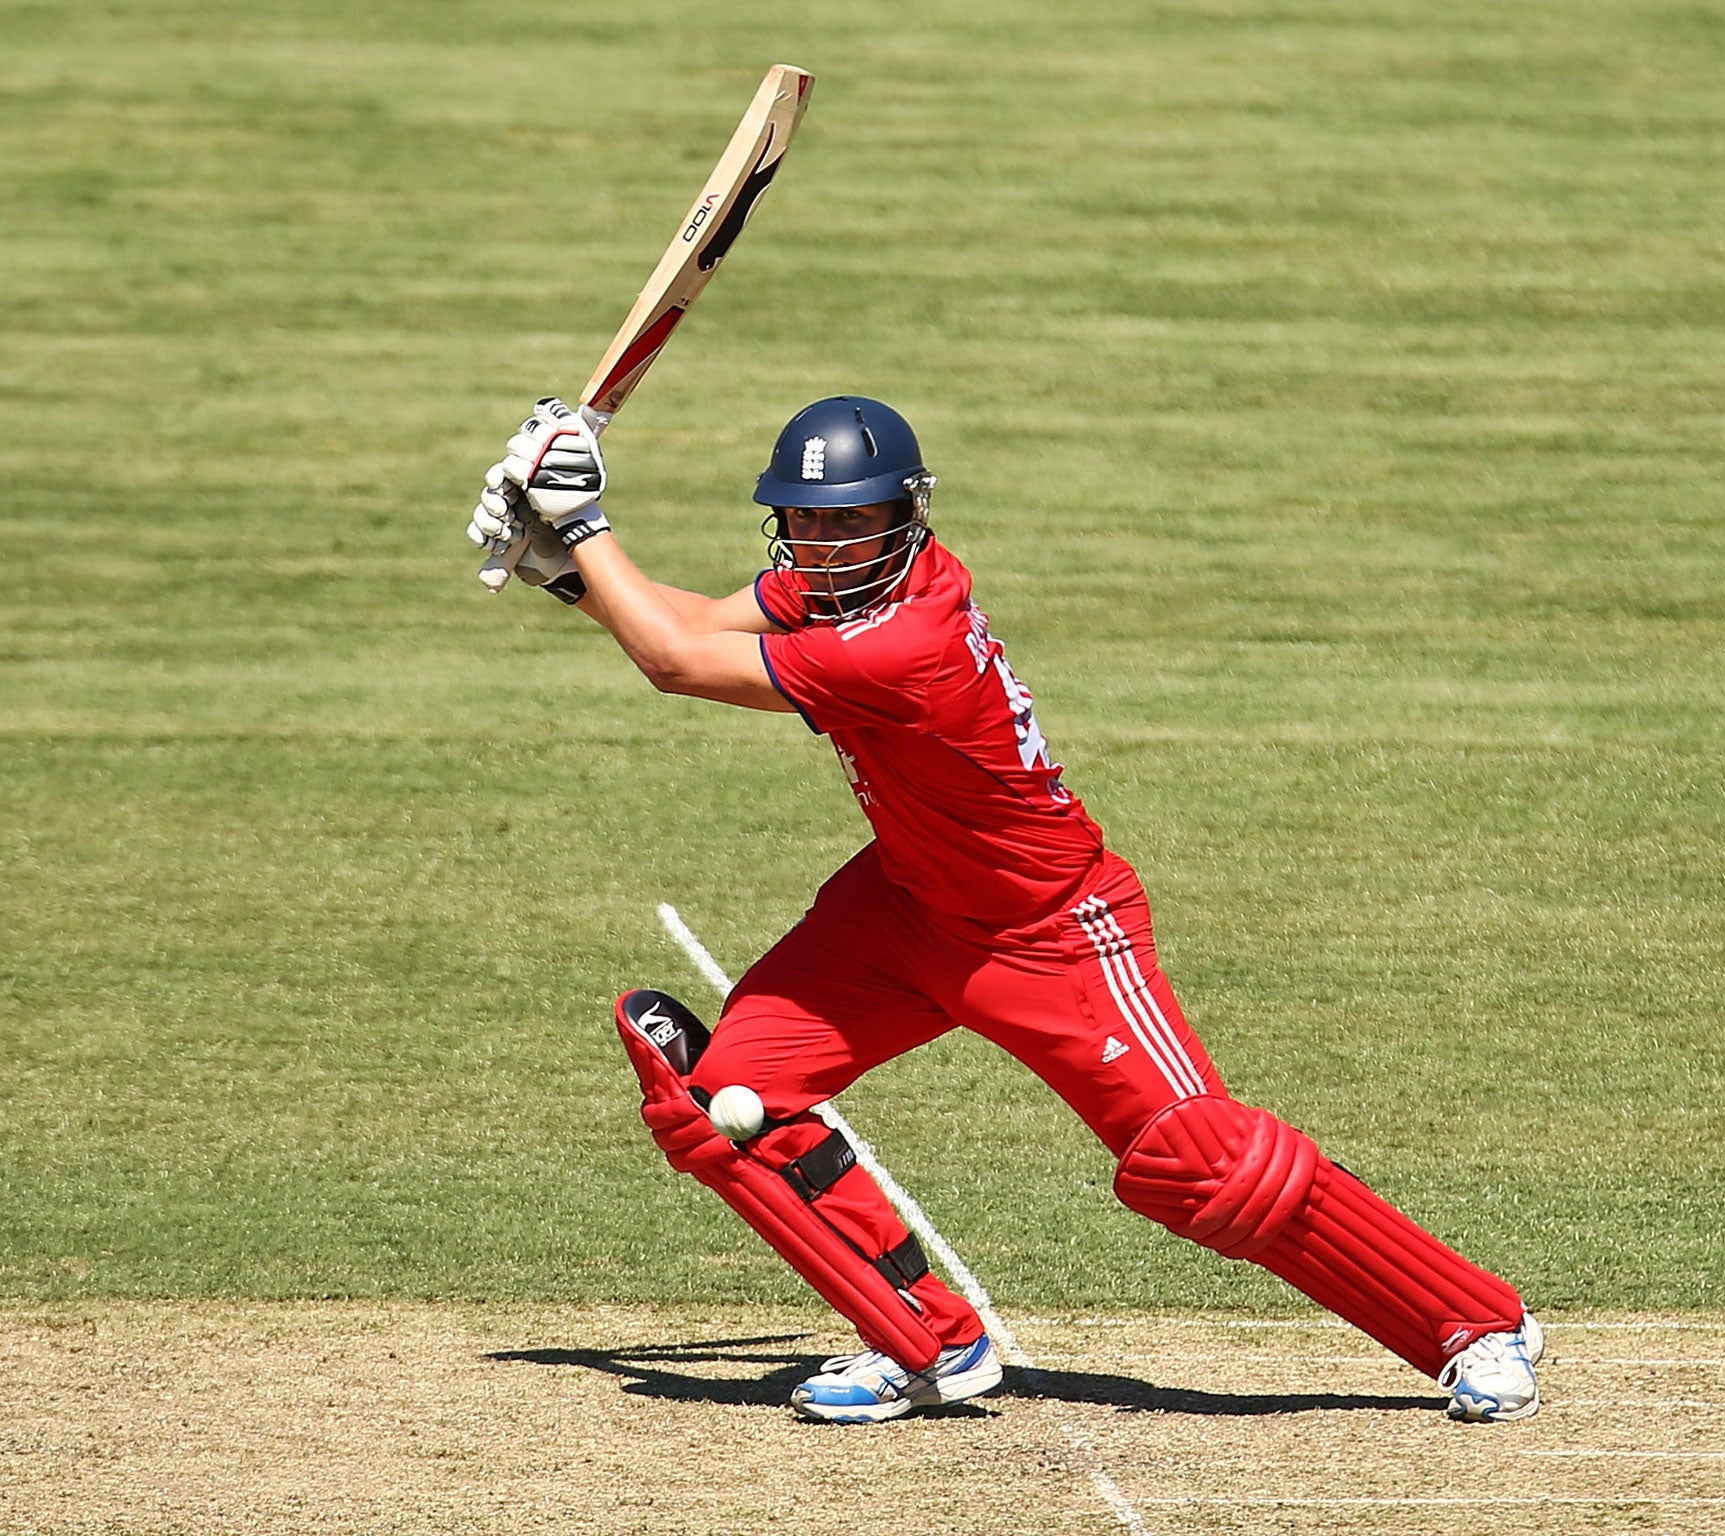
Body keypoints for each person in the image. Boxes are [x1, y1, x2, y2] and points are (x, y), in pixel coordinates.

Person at [468, 395, 1544, 1425]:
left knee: (1200, 1166)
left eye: (851, 519)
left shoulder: (905, 642)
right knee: (718, 1101)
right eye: (804, 521)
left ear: (905, 515)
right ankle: (926, 1346)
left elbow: (674, 661)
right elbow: (696, 619)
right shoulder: (848, 594)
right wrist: (559, 564)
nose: (827, 540)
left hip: (1052, 932)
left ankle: (1472, 1326)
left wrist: (583, 521)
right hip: (901, 912)